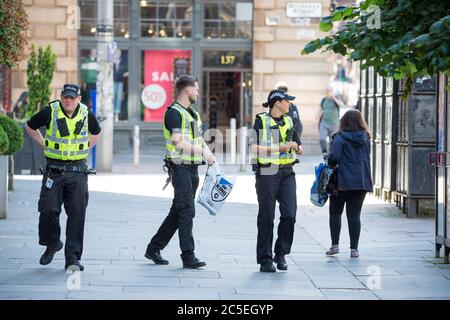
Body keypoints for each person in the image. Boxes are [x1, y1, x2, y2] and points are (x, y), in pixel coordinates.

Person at [24, 84, 101, 271]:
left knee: (76, 216)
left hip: (77, 172)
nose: (68, 100)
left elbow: (96, 132)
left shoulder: (86, 113)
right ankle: (52, 242)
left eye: (72, 97)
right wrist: (44, 145)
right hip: (54, 170)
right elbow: (30, 126)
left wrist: (84, 150)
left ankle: (73, 259)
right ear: (61, 97)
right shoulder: (51, 110)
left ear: (78, 99)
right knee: (48, 209)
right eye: (65, 97)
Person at [145, 75, 215, 269]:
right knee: (187, 210)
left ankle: (153, 248)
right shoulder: (173, 113)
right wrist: (202, 151)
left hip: (192, 169)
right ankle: (188, 255)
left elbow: (199, 138)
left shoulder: (192, 113)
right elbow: (178, 142)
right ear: (188, 90)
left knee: (178, 211)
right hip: (179, 167)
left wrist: (209, 154)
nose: (198, 92)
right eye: (197, 89)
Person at [251, 89, 303, 272]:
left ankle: (280, 253)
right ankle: (265, 260)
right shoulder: (261, 121)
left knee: (289, 214)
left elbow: (299, 145)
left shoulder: (290, 121)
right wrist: (278, 148)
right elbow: (253, 147)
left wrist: (297, 147)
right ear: (278, 102)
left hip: (287, 171)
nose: (289, 103)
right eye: (287, 101)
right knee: (267, 216)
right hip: (267, 171)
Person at [325, 109, 373, 258]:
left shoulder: (339, 138)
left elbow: (335, 158)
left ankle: (335, 245)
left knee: (335, 213)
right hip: (361, 181)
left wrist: (327, 157)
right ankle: (354, 249)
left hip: (341, 182)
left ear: (343, 122)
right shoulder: (366, 137)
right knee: (354, 215)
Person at [315, 86, 346, 155]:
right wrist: (316, 120)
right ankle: (324, 152)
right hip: (324, 123)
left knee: (333, 141)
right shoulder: (324, 100)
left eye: (330, 91)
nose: (329, 92)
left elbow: (342, 105)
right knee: (322, 139)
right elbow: (320, 110)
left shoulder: (336, 99)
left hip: (334, 124)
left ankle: (331, 154)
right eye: (327, 91)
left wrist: (334, 98)